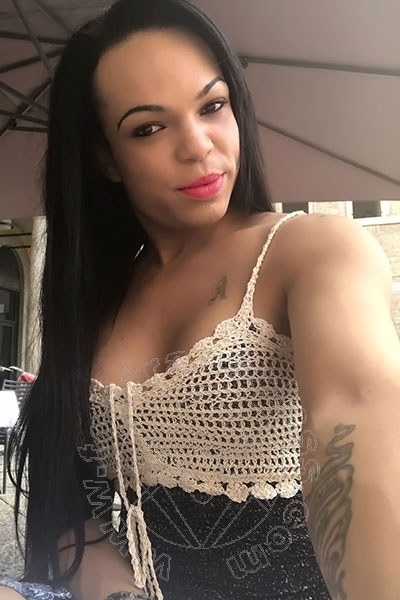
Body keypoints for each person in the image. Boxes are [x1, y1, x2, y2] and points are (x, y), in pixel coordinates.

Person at [1, 0, 400, 598]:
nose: (198, 146)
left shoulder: (310, 250)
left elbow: (356, 419)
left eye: (212, 106)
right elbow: (75, 509)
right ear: (106, 157)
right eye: (148, 128)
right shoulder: (97, 297)